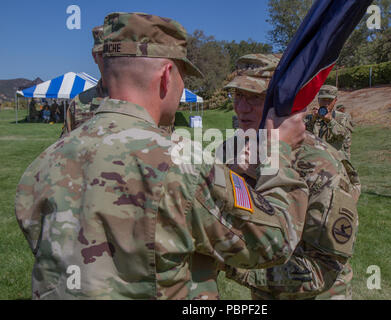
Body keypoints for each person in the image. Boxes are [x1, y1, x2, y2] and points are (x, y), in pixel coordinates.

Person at [15, 12, 309, 300]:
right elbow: (275, 242)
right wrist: (278, 152)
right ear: (167, 76)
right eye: (183, 76)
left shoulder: (42, 164)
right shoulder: (181, 161)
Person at [219, 53, 361, 300]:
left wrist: (229, 262)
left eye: (255, 97)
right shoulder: (233, 150)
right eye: (238, 95)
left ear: (281, 103)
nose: (241, 108)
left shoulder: (319, 163)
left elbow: (321, 270)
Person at [62, 25, 108, 136]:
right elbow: (64, 147)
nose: (108, 59)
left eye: (114, 54)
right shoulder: (79, 103)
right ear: (94, 56)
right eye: (102, 54)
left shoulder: (145, 100)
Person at [306, 85, 353, 159]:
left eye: (329, 100)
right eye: (323, 100)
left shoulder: (342, 118)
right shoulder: (310, 118)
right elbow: (302, 137)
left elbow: (343, 136)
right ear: (318, 100)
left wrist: (330, 121)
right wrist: (312, 120)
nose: (326, 104)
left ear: (335, 101)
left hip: (337, 161)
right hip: (316, 160)